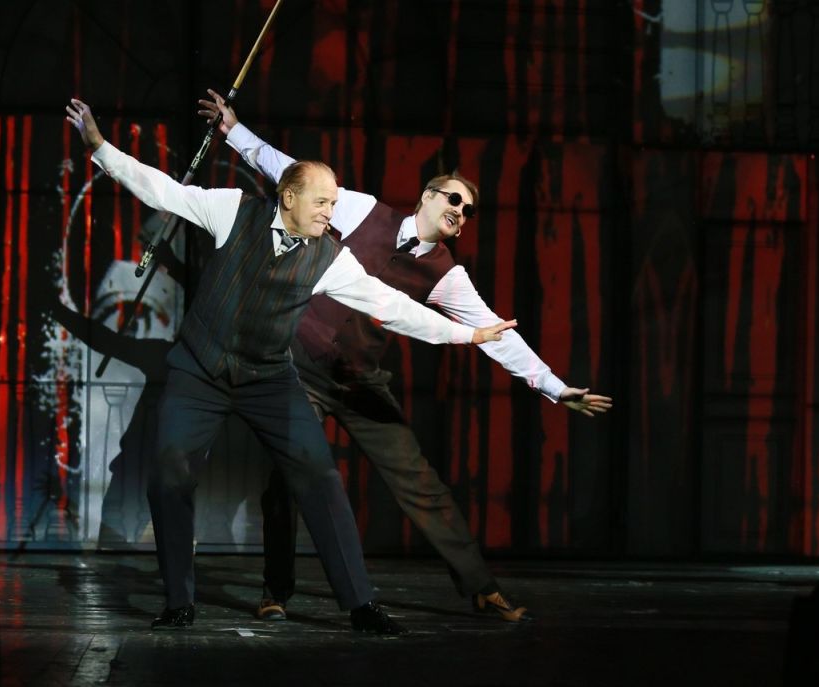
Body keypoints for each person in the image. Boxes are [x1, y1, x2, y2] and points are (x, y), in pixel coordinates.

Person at [65, 98, 516, 635]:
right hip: (199, 371)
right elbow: (162, 189)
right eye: (322, 202)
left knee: (319, 476)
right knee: (169, 472)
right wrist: (100, 149)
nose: (331, 212)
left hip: (268, 379)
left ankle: (361, 604)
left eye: (334, 203)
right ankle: (179, 600)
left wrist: (467, 334)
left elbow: (392, 307)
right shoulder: (233, 210)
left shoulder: (329, 257)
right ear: (289, 196)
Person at [197, 89, 613, 623]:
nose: (460, 212)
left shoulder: (446, 272)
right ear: (427, 196)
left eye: (468, 210)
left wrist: (555, 387)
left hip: (359, 381)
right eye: (453, 200)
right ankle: (275, 589)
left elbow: (495, 334)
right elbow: (286, 170)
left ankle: (481, 587)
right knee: (289, 474)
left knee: (419, 481)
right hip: (300, 368)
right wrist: (233, 130)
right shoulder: (361, 209)